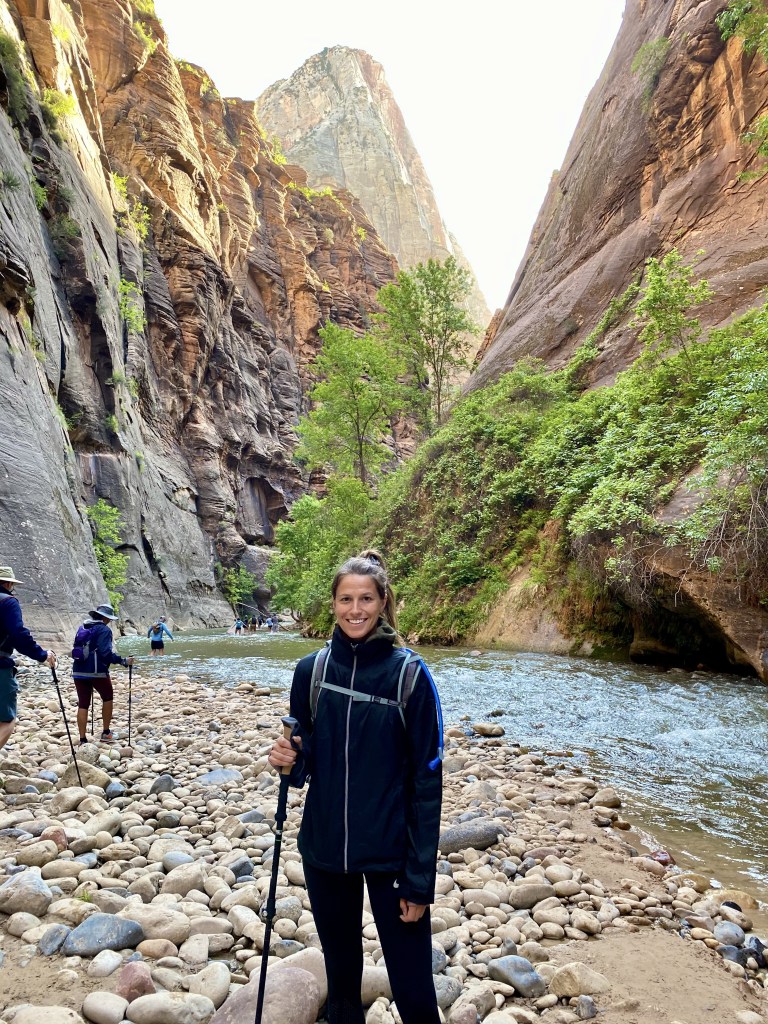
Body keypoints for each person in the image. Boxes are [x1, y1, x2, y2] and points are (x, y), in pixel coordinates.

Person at [269, 550, 442, 1024]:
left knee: (413, 987)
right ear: (333, 604)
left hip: (391, 852)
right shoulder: (311, 672)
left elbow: (428, 782)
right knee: (341, 983)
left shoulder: (410, 675)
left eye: (366, 598)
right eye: (346, 599)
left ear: (384, 602)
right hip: (325, 850)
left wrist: (420, 878)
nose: (356, 609)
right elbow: (305, 764)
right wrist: (289, 759)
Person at [0, 566, 57, 753]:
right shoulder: (8, 602)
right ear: (8, 584)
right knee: (7, 720)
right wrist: (42, 654)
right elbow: (19, 634)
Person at [72, 603, 134, 744]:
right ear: (105, 618)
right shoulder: (104, 630)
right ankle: (106, 733)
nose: (110, 621)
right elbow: (105, 654)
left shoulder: (83, 627)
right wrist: (123, 661)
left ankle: (82, 739)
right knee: (107, 697)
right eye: (110, 619)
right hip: (96, 671)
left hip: (78, 670)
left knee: (83, 703)